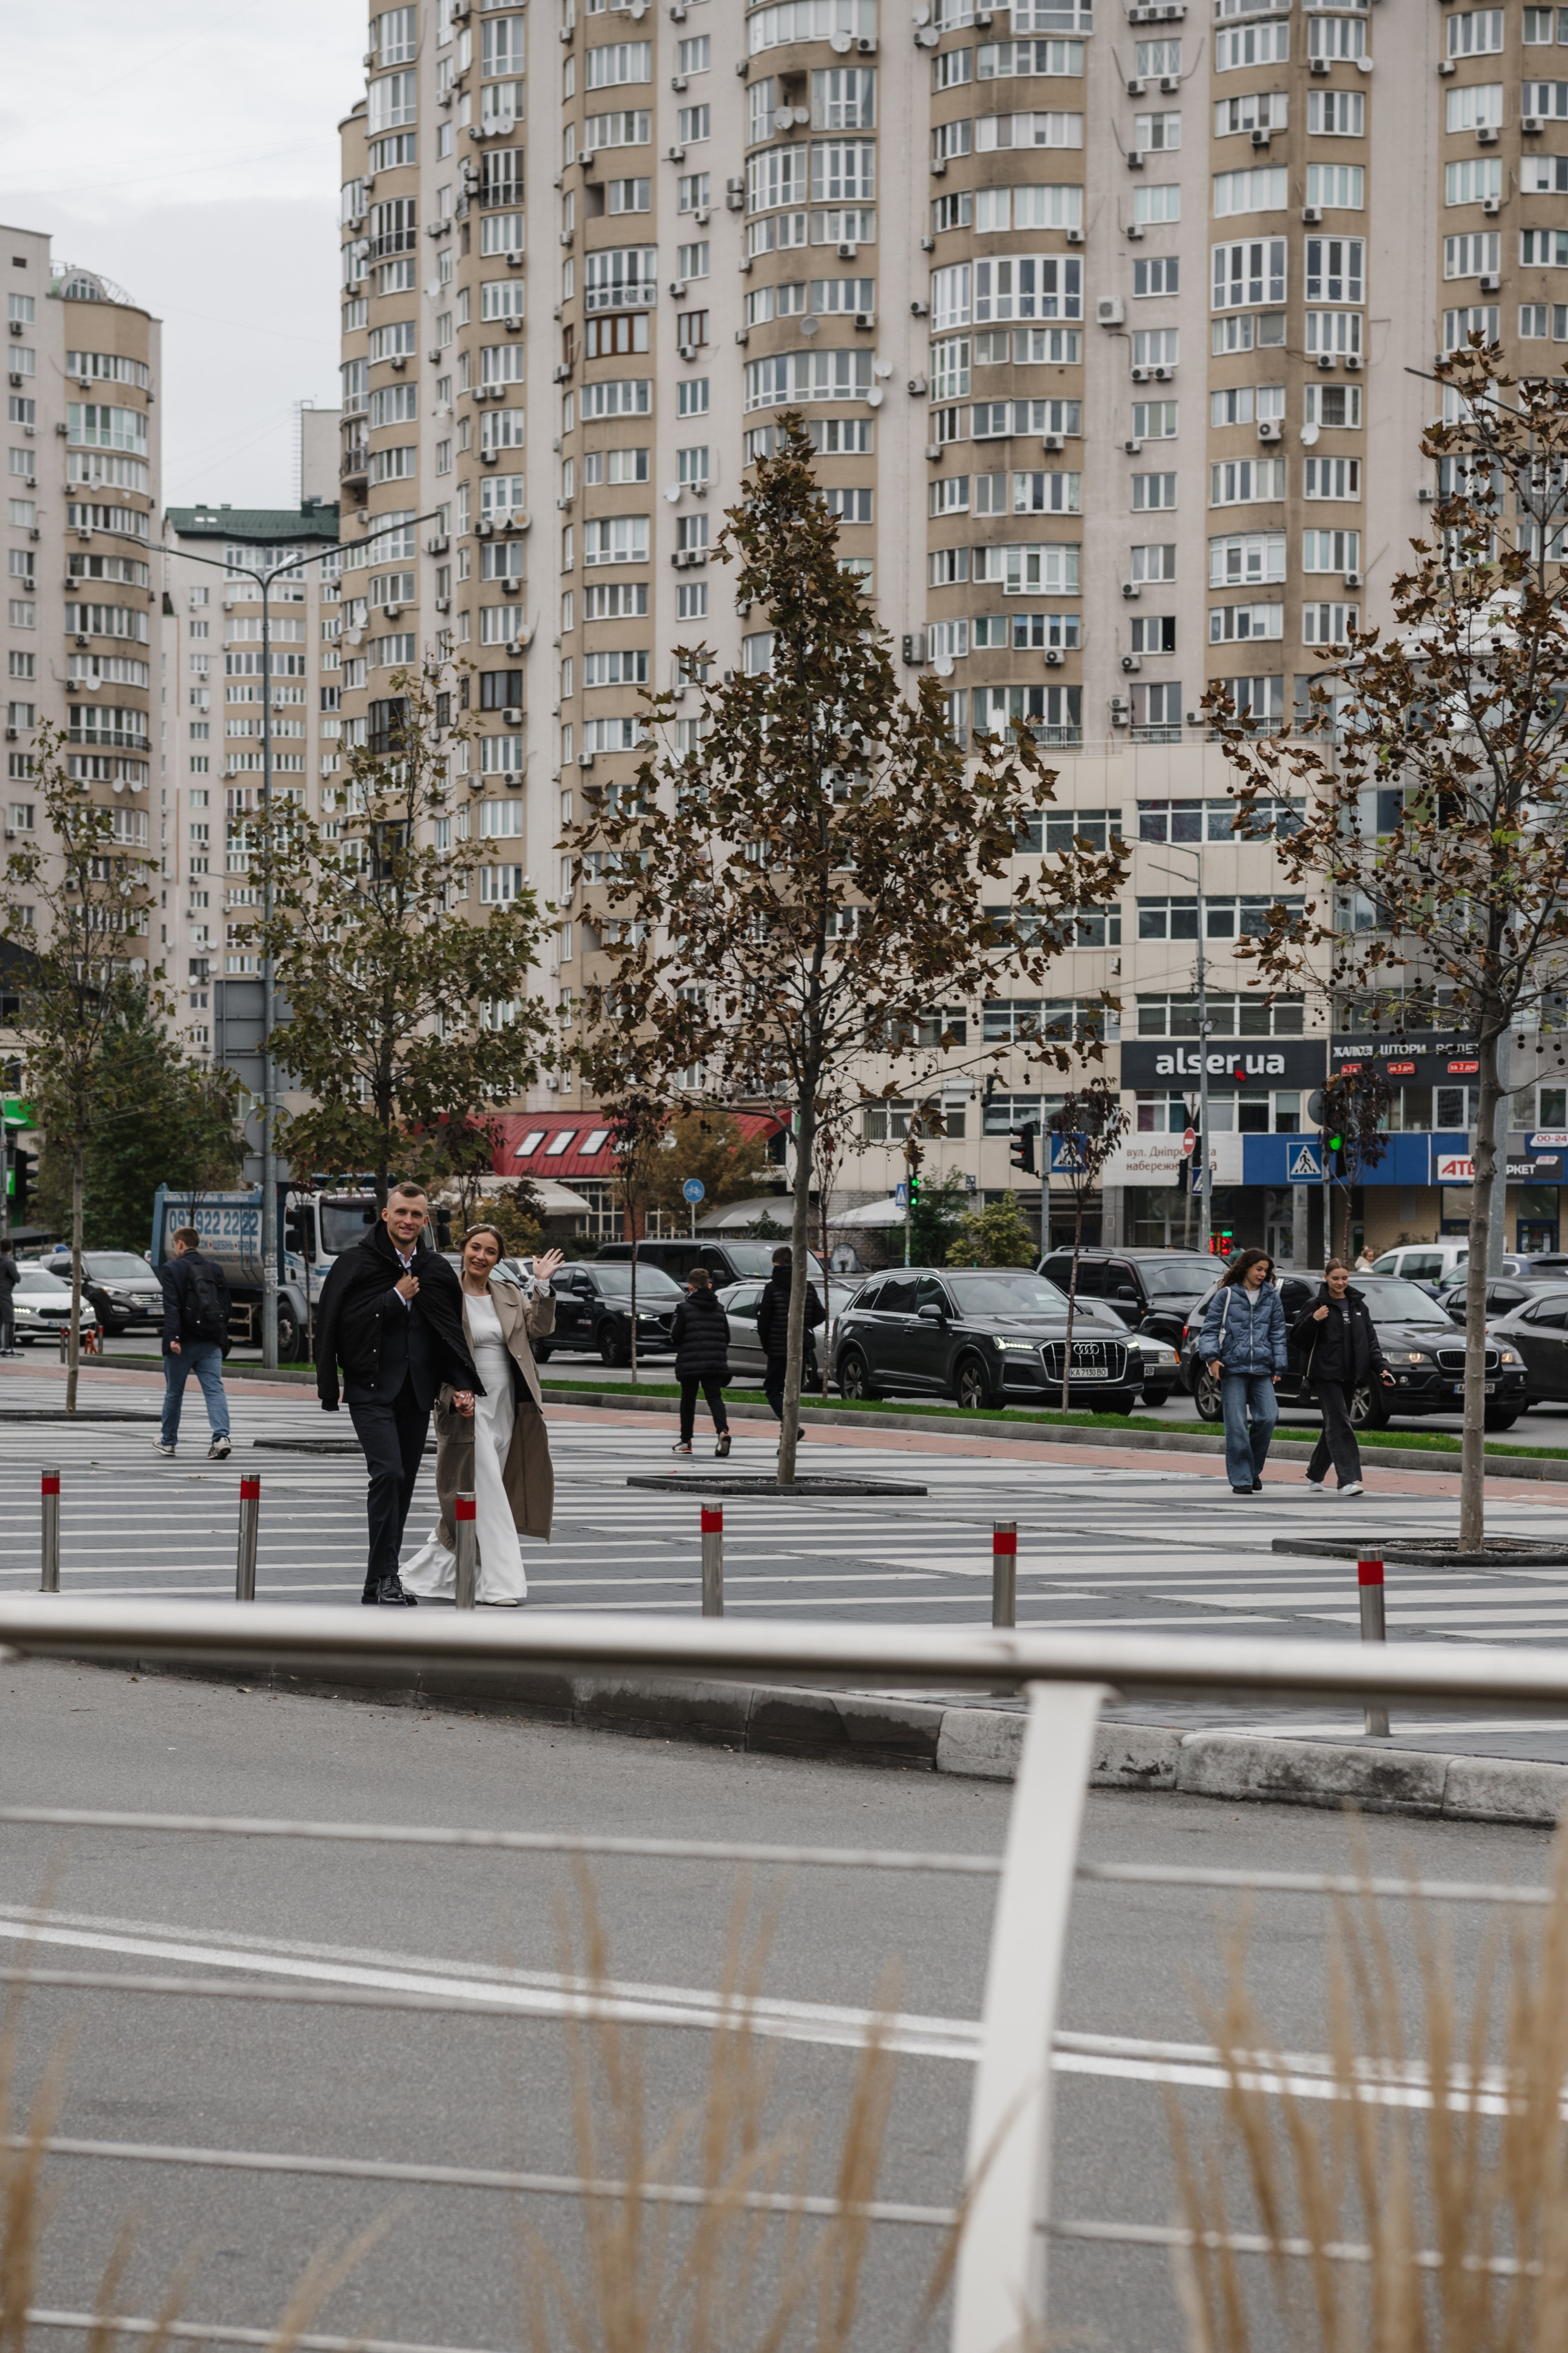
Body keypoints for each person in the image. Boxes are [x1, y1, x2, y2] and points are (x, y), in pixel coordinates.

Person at [315, 1181, 479, 1606]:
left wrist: (460, 1385)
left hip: (417, 1393)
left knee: (402, 1485)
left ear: (425, 1220)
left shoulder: (435, 1269)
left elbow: (448, 1332)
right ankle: (388, 1575)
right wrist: (392, 1298)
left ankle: (378, 1582)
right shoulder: (355, 1263)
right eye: (401, 1212)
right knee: (388, 1474)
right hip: (370, 1389)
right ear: (385, 1214)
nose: (408, 1220)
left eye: (416, 1214)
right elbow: (337, 1326)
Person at [402, 1227, 564, 1606]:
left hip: (507, 1404)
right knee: (488, 1491)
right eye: (475, 1248)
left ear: (498, 1259)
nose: (481, 1256)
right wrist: (450, 1395)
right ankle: (503, 1584)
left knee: (482, 1491)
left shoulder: (509, 1293)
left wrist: (541, 1285)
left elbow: (539, 1328)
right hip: (465, 1405)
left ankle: (436, 1573)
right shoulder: (446, 1292)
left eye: (490, 1251)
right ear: (463, 1249)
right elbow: (430, 1354)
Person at [1292, 1256, 1395, 1497]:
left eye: (1345, 1278)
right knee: (1340, 1424)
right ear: (1326, 1277)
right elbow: (1297, 1339)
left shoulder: (1358, 1306)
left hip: (1350, 1375)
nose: (1340, 1283)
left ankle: (1315, 1474)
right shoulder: (1315, 1305)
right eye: (1335, 1278)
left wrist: (1383, 1368)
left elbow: (1370, 1342)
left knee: (1334, 1424)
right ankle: (1347, 1480)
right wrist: (1314, 1320)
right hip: (1324, 1375)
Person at [1197, 1247, 1288, 1495]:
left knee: (1268, 1417)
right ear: (1246, 1267)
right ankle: (1242, 1479)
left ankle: (1252, 1470)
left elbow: (1278, 1333)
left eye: (1266, 1271)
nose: (1262, 1274)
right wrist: (1212, 1359)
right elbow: (1209, 1330)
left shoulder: (1271, 1297)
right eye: (1259, 1269)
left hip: (1262, 1368)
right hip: (1233, 1368)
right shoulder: (1226, 1295)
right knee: (1236, 1425)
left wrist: (1279, 1365)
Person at [154, 1226, 233, 1460]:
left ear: (180, 1244)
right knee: (214, 1390)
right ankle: (221, 1438)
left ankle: (168, 1442)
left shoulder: (172, 1269)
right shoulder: (215, 1269)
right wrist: (220, 1336)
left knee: (174, 1392)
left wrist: (173, 1338)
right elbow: (226, 1306)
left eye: (174, 1244)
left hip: (183, 1343)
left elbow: (171, 1306)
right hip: (211, 1341)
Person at [755, 1245, 824, 1430]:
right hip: (801, 1347)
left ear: (775, 1264)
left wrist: (767, 1345)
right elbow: (821, 1314)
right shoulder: (807, 1286)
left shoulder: (772, 1288)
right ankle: (789, 1429)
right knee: (794, 1389)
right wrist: (804, 1325)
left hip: (778, 1348)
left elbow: (764, 1322)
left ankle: (789, 1424)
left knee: (773, 1389)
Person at [669, 1265, 732, 1459]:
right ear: (709, 1286)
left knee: (688, 1400)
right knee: (715, 1397)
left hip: (691, 1362)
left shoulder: (684, 1309)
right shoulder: (720, 1309)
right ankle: (723, 1431)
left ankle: (686, 1441)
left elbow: (675, 1337)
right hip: (715, 1362)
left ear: (690, 1286)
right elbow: (727, 1337)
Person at [0, 1242, 17, 1357]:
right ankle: (8, 1348)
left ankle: (2, 1348)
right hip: (5, 1293)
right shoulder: (9, 1261)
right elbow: (18, 1278)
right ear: (11, 1248)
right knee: (9, 1320)